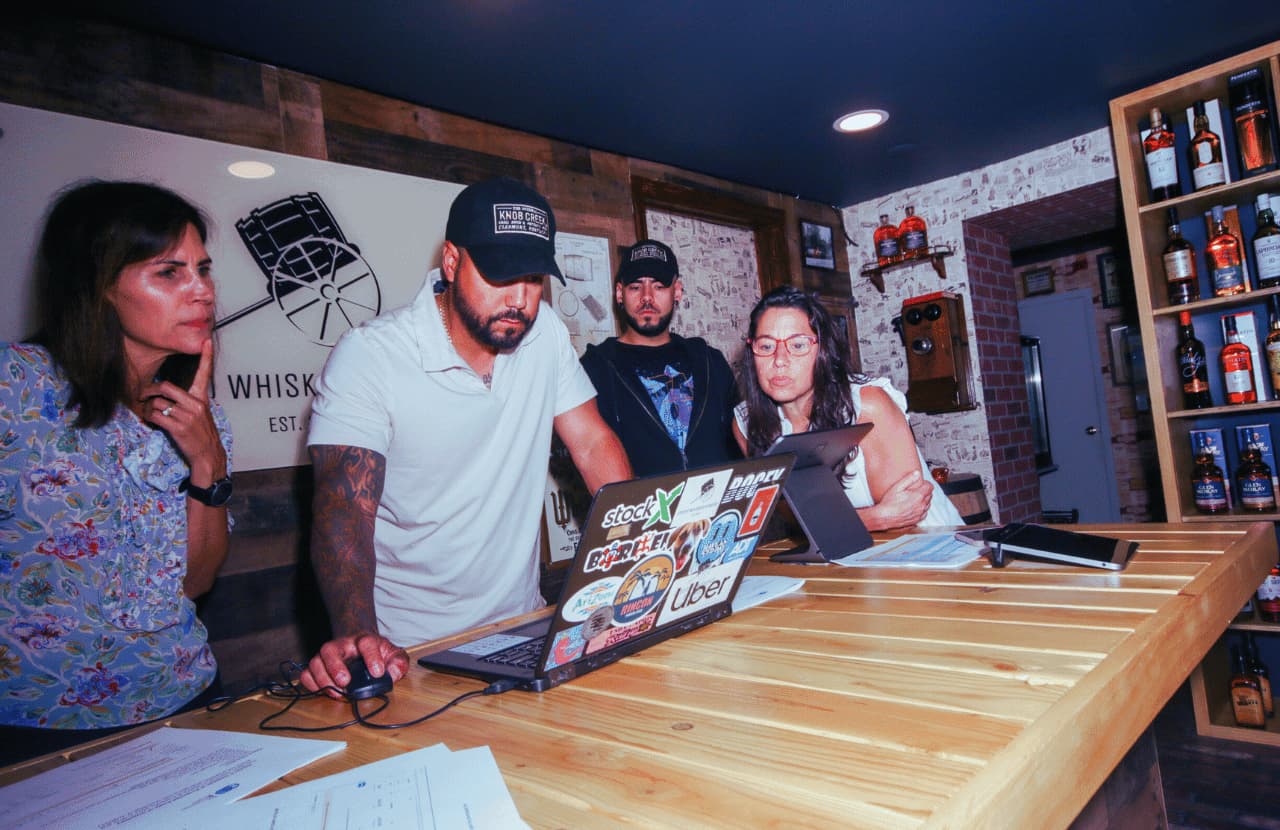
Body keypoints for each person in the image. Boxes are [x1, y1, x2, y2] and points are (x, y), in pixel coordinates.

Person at [301, 178, 631, 696]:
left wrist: (638, 548)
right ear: (451, 262)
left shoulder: (542, 332)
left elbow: (590, 442)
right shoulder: (371, 356)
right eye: (500, 275)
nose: (519, 299)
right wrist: (358, 633)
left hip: (521, 627)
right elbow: (343, 505)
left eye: (532, 278)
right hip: (409, 650)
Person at [0, 181, 232, 763]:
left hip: (186, 697)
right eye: (169, 273)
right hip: (42, 728)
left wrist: (208, 459)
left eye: (203, 270)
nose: (202, 291)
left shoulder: (199, 412)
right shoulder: (16, 387)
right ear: (97, 285)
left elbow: (195, 584)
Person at [734, 286, 962, 530]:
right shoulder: (747, 423)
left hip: (933, 548)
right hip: (845, 557)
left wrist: (857, 521)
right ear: (752, 350)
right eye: (767, 346)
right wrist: (875, 518)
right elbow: (788, 512)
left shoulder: (868, 406)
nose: (779, 360)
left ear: (823, 351)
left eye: (798, 345)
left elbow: (906, 519)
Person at [580, 240, 740, 476]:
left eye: (658, 286)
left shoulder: (710, 361)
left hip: (717, 508)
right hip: (646, 510)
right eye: (635, 287)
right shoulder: (595, 368)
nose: (647, 297)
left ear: (677, 291)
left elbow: (744, 439)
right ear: (619, 294)